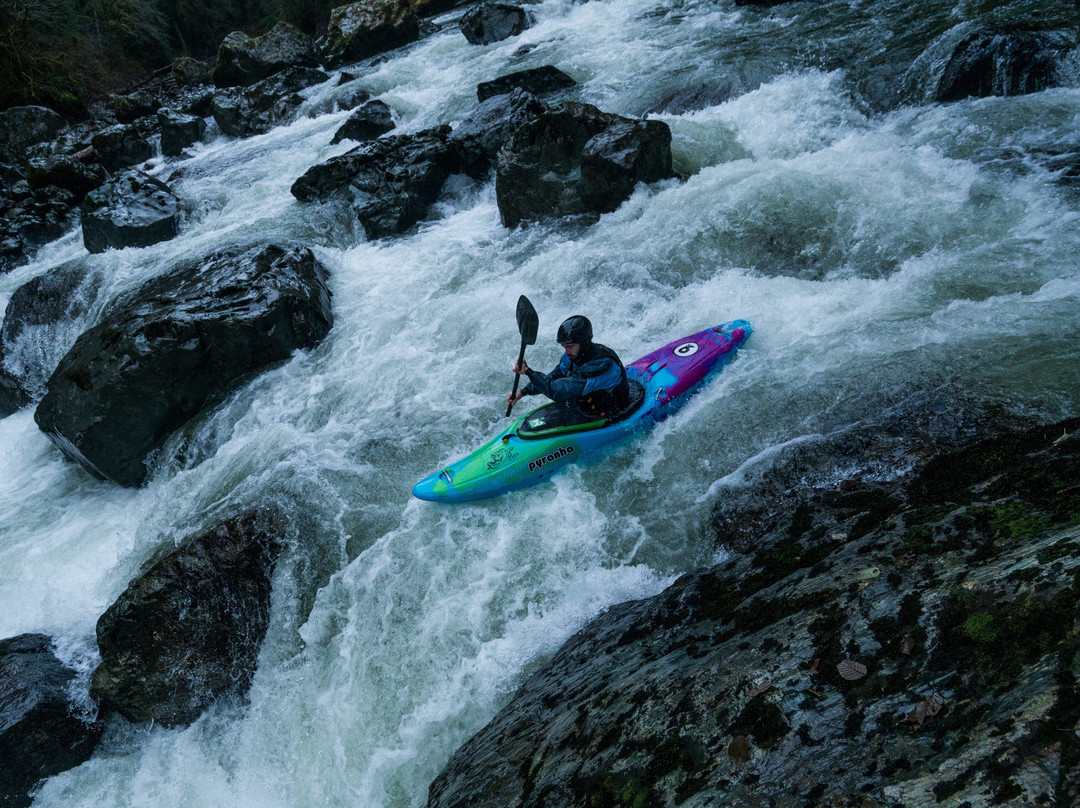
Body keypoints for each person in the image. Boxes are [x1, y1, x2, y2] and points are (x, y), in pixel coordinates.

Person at [508, 315, 630, 417]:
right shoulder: (573, 356)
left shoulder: (601, 365)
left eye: (570, 347)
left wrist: (529, 372)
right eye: (565, 347)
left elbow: (557, 392)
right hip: (586, 403)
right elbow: (553, 377)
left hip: (611, 411)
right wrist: (523, 392)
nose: (566, 351)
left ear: (584, 343)